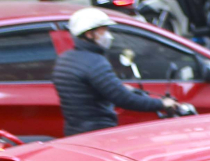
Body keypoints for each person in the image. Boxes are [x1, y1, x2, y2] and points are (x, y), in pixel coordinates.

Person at [52, 8, 194, 135]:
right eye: (104, 30)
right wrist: (162, 104)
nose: (109, 36)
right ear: (90, 34)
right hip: (98, 134)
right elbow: (124, 99)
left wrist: (120, 87)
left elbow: (90, 89)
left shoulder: (66, 58)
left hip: (74, 132)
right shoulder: (95, 62)